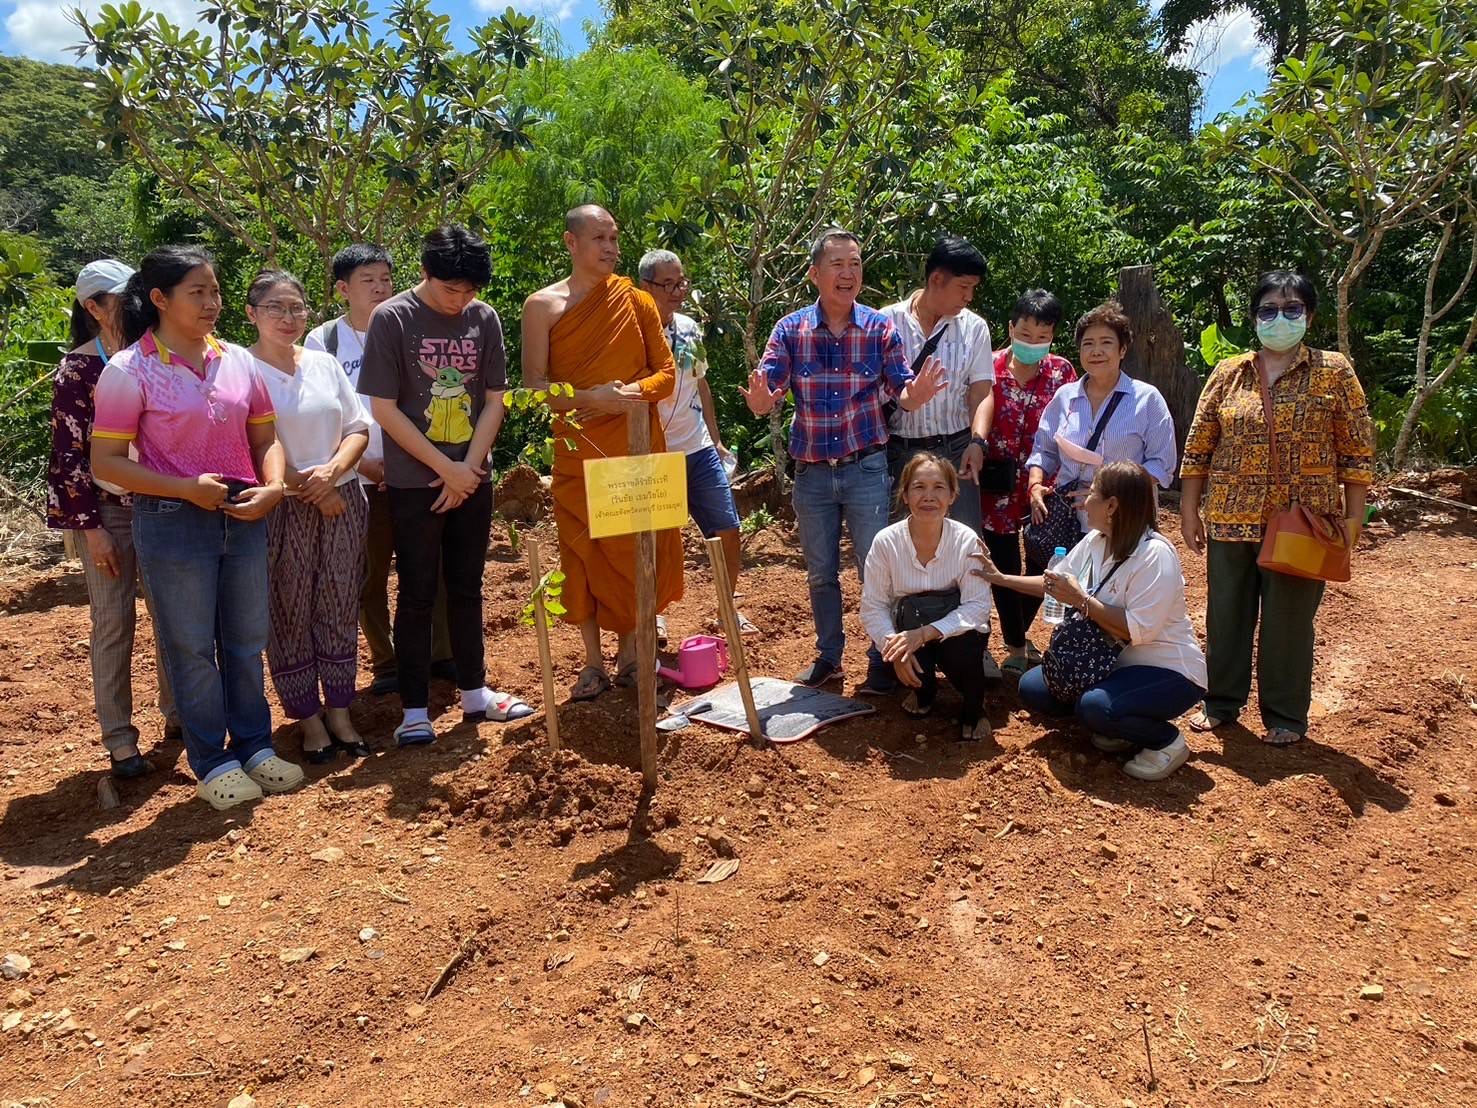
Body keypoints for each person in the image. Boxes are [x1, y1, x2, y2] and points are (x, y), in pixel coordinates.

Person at [90, 246, 300, 810]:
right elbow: (105, 462)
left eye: (215, 290)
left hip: (242, 513)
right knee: (189, 648)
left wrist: (274, 487)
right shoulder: (128, 370)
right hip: (172, 519)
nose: (212, 303)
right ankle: (213, 759)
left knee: (245, 640)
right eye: (198, 293)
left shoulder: (237, 360)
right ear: (160, 300)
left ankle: (255, 747)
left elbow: (266, 440)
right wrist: (184, 488)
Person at [741, 227, 945, 692]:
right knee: (820, 571)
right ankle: (829, 656)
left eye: (855, 264)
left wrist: (919, 393)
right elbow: (767, 396)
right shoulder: (790, 330)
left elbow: (904, 391)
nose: (848, 273)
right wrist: (757, 400)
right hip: (812, 473)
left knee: (875, 567)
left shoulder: (878, 327)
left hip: (867, 468)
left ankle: (880, 658)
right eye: (837, 265)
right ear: (815, 274)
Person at [1179, 270, 1375, 746]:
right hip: (1230, 515)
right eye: (1268, 309)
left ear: (1309, 315)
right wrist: (1189, 510)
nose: (1280, 318)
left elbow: (1356, 451)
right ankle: (1222, 702)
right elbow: (1199, 445)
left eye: (1292, 309)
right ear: (1253, 317)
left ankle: (1285, 714)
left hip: (1305, 521)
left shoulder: (1333, 370)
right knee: (1225, 613)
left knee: (1289, 621)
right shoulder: (1229, 373)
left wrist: (1353, 519)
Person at [358, 225, 532, 744]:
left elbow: (495, 399)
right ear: (425, 274)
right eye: (450, 289)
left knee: (466, 587)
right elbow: (385, 409)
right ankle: (415, 710)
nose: (461, 301)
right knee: (414, 593)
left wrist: (469, 469)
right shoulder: (393, 319)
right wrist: (446, 469)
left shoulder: (485, 318)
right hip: (415, 483)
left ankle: (476, 694)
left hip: (472, 476)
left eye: (470, 291)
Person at [522, 205, 684, 700]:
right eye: (600, 238)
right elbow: (533, 386)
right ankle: (591, 663)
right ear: (572, 243)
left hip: (634, 446)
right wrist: (592, 398)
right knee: (584, 554)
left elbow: (667, 374)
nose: (611, 247)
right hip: (579, 449)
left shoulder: (635, 301)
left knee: (637, 549)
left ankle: (632, 654)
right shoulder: (542, 306)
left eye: (615, 237)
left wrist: (627, 397)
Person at [976, 461, 1206, 780]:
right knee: (1034, 687)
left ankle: (1166, 741)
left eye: (1092, 492)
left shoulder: (1155, 555)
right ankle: (1118, 722)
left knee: (1094, 707)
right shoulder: (1097, 540)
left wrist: (1081, 601)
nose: (1084, 500)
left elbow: (1136, 630)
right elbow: (1054, 582)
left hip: (1169, 671)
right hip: (1111, 665)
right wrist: (1000, 578)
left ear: (1112, 505)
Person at [305, 244, 459, 696]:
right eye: (368, 280)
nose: (379, 288)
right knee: (367, 573)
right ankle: (386, 660)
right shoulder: (324, 341)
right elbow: (322, 409)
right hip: (358, 475)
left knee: (431, 565)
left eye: (386, 280)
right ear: (342, 289)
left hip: (418, 470)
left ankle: (440, 653)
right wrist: (363, 463)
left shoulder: (413, 328)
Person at [47, 258, 179, 778]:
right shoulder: (80, 369)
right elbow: (69, 457)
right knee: (113, 624)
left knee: (175, 616)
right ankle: (121, 741)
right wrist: (90, 531)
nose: (134, 307)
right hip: (108, 514)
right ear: (93, 308)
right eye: (121, 299)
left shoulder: (158, 355)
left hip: (165, 504)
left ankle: (181, 718)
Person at [247, 270, 372, 764]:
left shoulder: (323, 363)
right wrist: (306, 486)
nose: (287, 318)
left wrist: (333, 475)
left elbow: (357, 428)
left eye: (296, 308)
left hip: (343, 501)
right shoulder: (241, 368)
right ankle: (308, 718)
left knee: (341, 603)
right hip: (280, 506)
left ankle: (341, 711)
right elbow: (252, 442)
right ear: (252, 314)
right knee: (288, 609)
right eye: (275, 308)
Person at [637, 248, 756, 644]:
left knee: (727, 528)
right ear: (645, 286)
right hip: (653, 454)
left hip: (697, 448)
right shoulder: (631, 331)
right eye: (667, 284)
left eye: (681, 282)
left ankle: (727, 607)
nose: (677, 291)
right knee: (654, 542)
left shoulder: (690, 327)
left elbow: (701, 383)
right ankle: (651, 615)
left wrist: (717, 439)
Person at [980, 289, 1078, 677]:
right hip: (995, 487)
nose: (1033, 343)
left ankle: (1015, 634)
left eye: (1042, 336)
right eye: (1025, 333)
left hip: (1046, 487)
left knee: (1043, 560)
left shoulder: (1062, 371)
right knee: (1004, 567)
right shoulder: (987, 368)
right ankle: (1017, 646)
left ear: (1053, 335)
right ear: (1010, 328)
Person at [860, 454, 992, 741]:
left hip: (951, 630)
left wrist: (923, 634)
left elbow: (978, 607)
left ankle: (975, 707)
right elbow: (873, 607)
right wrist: (894, 649)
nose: (928, 497)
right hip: (909, 625)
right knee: (909, 664)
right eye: (919, 487)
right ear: (905, 495)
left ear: (953, 496)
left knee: (964, 651)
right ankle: (925, 692)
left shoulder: (966, 540)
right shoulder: (886, 542)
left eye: (939, 488)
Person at [1026, 301, 1177, 529]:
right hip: (1068, 522)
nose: (1096, 351)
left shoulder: (1147, 399)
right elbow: (1043, 451)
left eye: (1106, 343)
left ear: (1123, 349)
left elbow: (1161, 464)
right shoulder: (1064, 397)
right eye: (1088, 344)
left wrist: (1112, 489)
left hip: (1125, 520)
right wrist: (1035, 484)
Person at [879, 234, 994, 533]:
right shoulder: (884, 322)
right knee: (901, 546)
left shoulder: (974, 327)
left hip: (956, 452)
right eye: (963, 287)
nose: (969, 297)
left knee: (967, 546)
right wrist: (907, 397)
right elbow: (869, 391)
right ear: (937, 279)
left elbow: (981, 392)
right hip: (899, 455)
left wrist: (977, 442)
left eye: (972, 289)